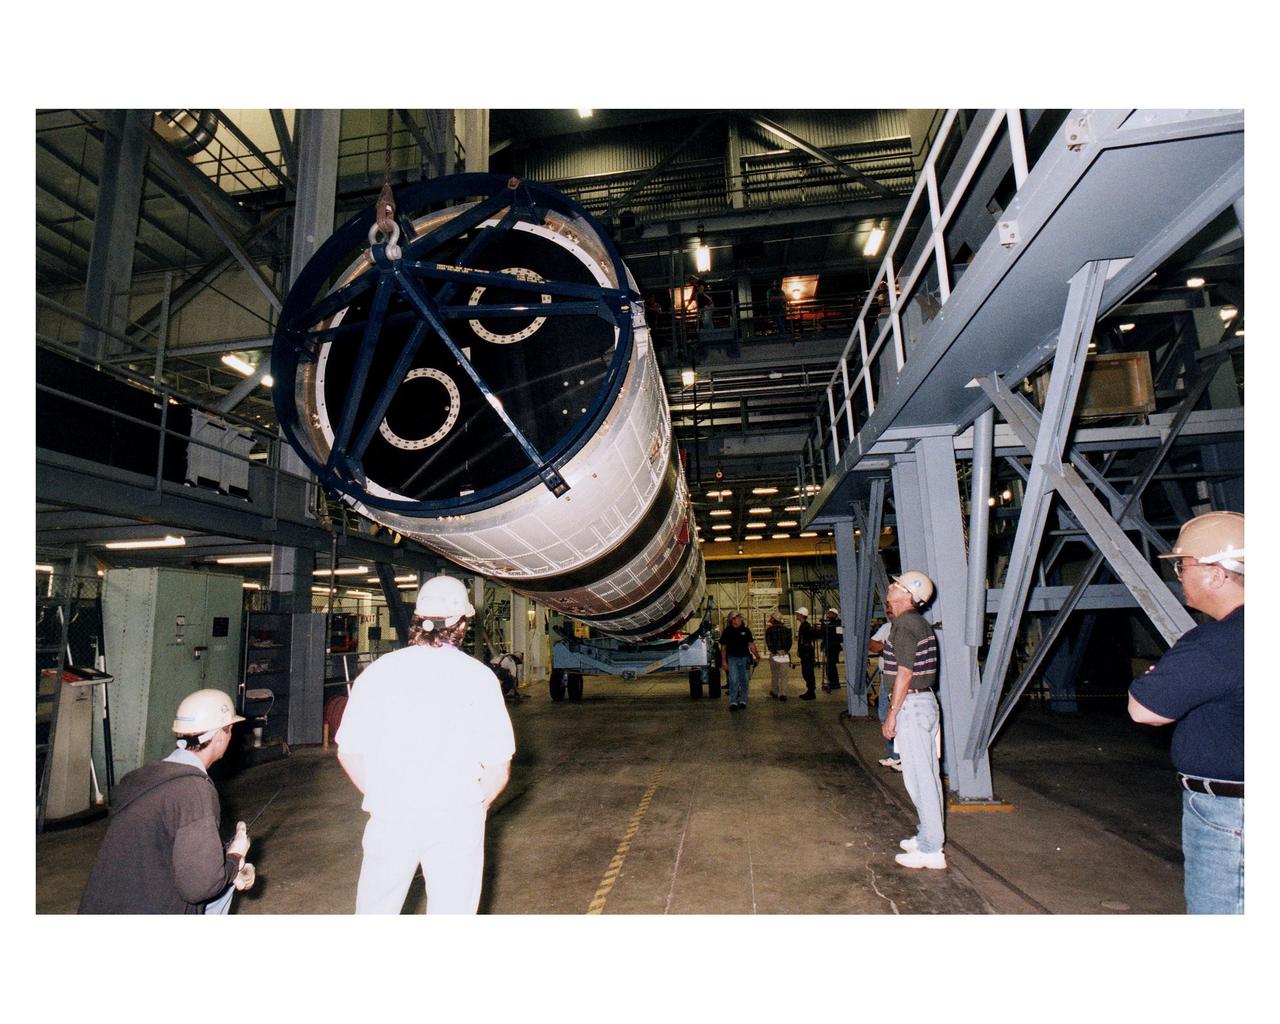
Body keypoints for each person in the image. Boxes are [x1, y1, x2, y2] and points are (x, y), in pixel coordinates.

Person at [336, 575, 515, 914]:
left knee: (375, 912)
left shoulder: (378, 672)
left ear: (418, 618)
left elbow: (348, 751)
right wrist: (472, 807)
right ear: (461, 623)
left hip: (390, 815)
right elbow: (498, 768)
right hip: (455, 815)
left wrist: (383, 796)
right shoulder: (478, 678)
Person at [1128, 511, 1244, 914]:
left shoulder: (1216, 642)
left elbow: (1145, 709)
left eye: (1184, 565)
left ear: (1217, 573)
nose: (1180, 574)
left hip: (1230, 815)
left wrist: (1160, 674)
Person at [79, 688, 255, 914]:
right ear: (220, 736)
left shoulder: (146, 778)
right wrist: (236, 856)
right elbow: (202, 887)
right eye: (230, 729)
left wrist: (228, 867)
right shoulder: (195, 791)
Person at [880, 571, 945, 870]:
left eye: (896, 585)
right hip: (923, 703)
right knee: (924, 776)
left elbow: (905, 673)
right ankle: (926, 836)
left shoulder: (904, 624)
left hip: (913, 705)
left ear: (908, 596)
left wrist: (892, 712)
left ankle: (932, 851)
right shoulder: (917, 623)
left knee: (921, 779)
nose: (891, 588)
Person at [868, 613, 901, 771]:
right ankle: (895, 755)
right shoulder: (887, 627)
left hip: (899, 678)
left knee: (899, 717)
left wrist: (886, 649)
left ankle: (901, 756)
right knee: (883, 716)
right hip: (885, 678)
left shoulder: (907, 629)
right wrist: (889, 649)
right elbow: (872, 644)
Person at [719, 611, 759, 710]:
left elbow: (751, 645)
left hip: (744, 658)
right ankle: (733, 702)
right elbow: (723, 647)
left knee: (744, 680)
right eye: (736, 618)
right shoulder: (727, 632)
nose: (738, 620)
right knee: (733, 680)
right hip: (732, 659)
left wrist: (757, 656)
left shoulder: (746, 630)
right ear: (731, 620)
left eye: (738, 618)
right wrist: (724, 661)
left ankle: (743, 700)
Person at [764, 611, 793, 701]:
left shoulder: (769, 630)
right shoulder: (786, 629)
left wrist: (774, 651)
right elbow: (790, 642)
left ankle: (775, 691)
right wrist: (785, 650)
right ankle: (783, 693)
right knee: (784, 675)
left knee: (775, 674)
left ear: (773, 619)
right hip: (784, 654)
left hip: (774, 654)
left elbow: (769, 643)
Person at [796, 607, 818, 700]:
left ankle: (811, 692)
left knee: (808, 672)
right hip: (805, 652)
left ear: (801, 615)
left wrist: (802, 650)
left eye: (798, 614)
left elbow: (805, 640)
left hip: (807, 653)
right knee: (806, 672)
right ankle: (810, 691)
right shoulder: (804, 625)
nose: (796, 615)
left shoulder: (806, 626)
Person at [822, 607, 843, 692]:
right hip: (829, 646)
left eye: (830, 613)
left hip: (834, 647)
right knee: (829, 665)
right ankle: (832, 682)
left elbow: (840, 637)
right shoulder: (828, 623)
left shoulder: (838, 623)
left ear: (834, 615)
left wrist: (831, 642)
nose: (828, 614)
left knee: (831, 665)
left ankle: (835, 683)